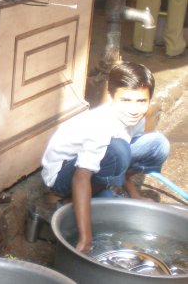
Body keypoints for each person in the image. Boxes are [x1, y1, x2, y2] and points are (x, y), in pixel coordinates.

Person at [41, 61, 169, 253]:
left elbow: (126, 155)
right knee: (119, 151)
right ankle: (67, 203)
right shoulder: (100, 126)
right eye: (125, 100)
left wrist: (135, 196)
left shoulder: (136, 118)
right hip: (62, 175)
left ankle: (103, 190)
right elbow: (80, 177)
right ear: (111, 97)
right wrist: (86, 239)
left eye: (141, 101)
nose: (133, 109)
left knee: (158, 145)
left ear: (149, 99)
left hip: (102, 158)